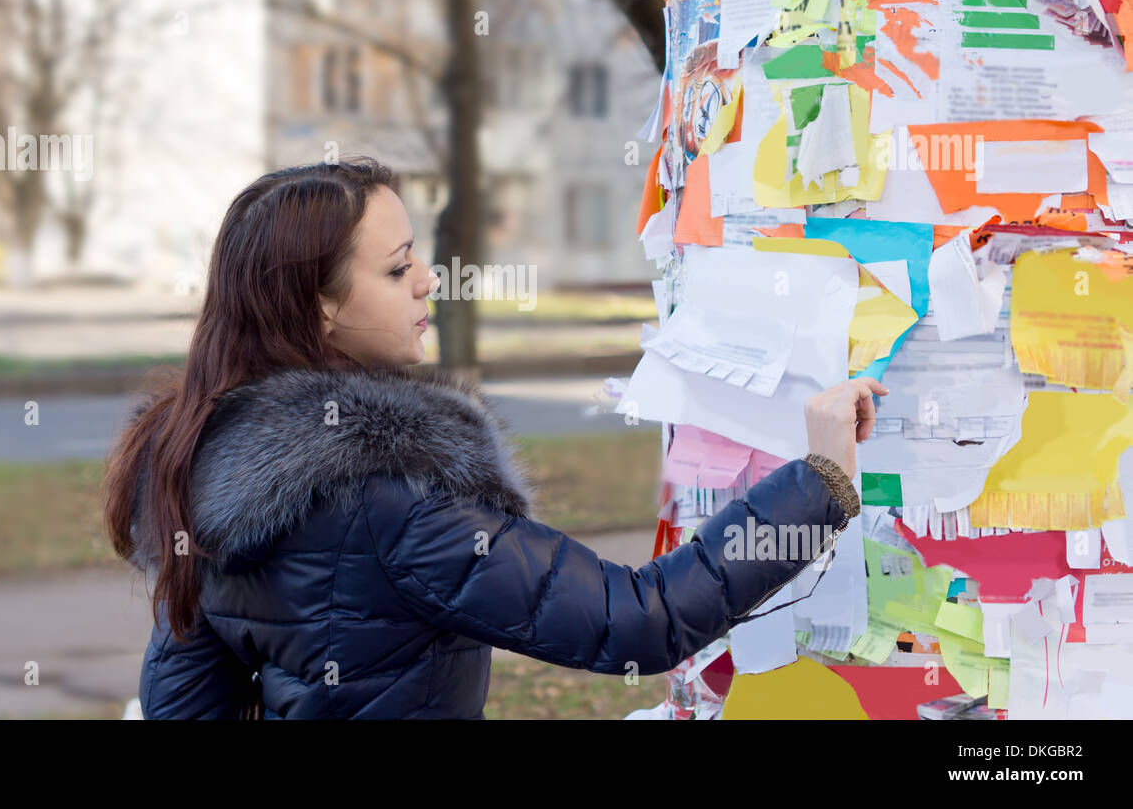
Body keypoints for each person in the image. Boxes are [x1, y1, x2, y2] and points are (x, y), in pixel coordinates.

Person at [102, 157, 887, 719]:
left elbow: (182, 704)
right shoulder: (385, 502)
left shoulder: (203, 472)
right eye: (397, 268)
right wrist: (816, 482)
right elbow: (637, 622)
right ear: (321, 310)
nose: (428, 281)